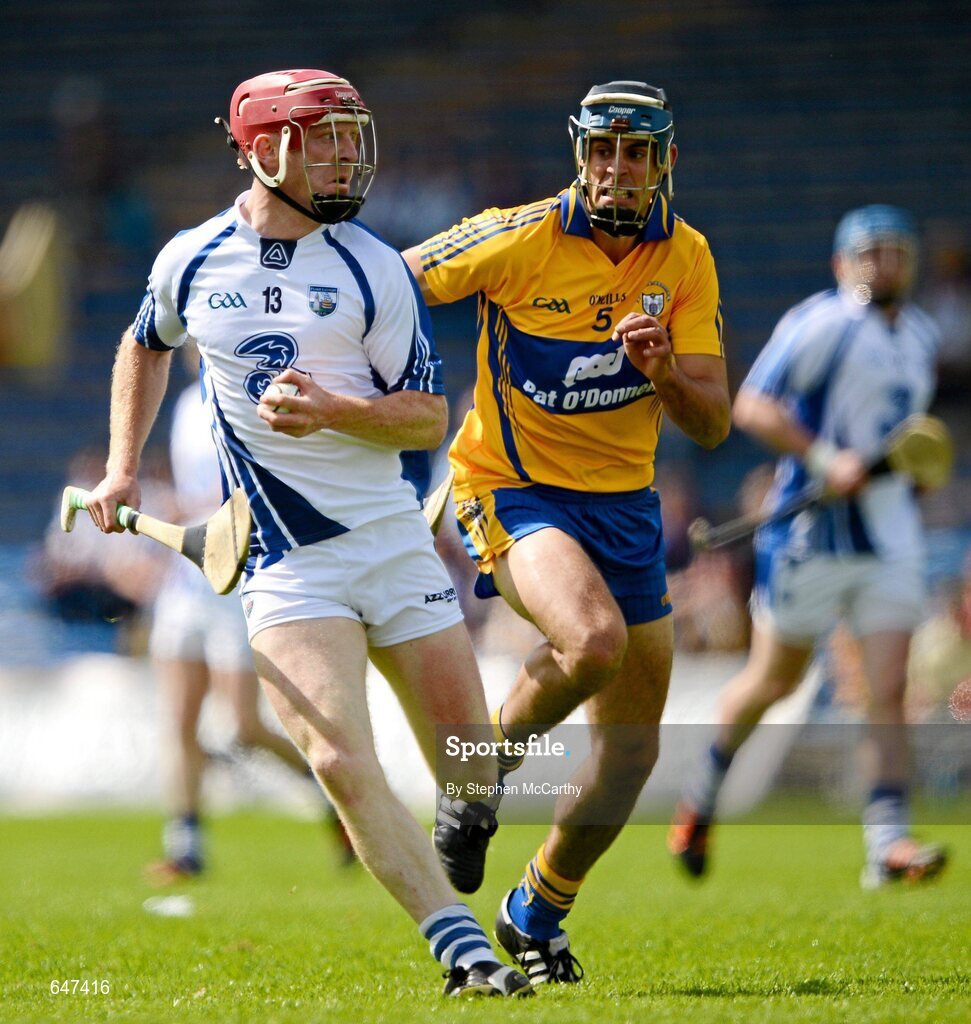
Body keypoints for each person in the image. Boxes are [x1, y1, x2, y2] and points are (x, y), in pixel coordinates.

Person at [85, 68, 531, 999]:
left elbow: (422, 419)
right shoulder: (192, 259)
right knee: (335, 756)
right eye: (321, 138)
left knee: (473, 771)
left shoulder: (375, 266)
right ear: (261, 150)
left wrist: (334, 412)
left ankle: (472, 810)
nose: (344, 156)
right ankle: (462, 950)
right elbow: (144, 342)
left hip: (390, 542)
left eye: (348, 136)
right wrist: (124, 467)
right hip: (285, 561)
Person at [404, 79, 731, 983]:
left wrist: (662, 372)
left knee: (629, 760)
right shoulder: (518, 236)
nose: (614, 169)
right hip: (511, 488)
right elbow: (387, 282)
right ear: (578, 154)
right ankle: (477, 774)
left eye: (634, 153)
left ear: (662, 160)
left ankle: (536, 912)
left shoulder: (688, 257)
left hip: (624, 506)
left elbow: (710, 422)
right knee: (590, 641)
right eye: (599, 150)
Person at [668, 204, 949, 889]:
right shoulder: (819, 323)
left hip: (888, 538)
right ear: (840, 263)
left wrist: (906, 476)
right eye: (869, 252)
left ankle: (886, 843)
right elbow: (752, 406)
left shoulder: (918, 333)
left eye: (894, 252)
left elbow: (902, 435)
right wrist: (825, 460)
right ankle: (699, 797)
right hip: (808, 538)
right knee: (773, 681)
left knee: (886, 688)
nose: (883, 264)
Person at [146, 351, 354, 883]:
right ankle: (185, 845)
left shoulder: (255, 404)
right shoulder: (187, 405)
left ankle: (338, 802)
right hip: (186, 580)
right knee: (179, 721)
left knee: (242, 726)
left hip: (238, 579)